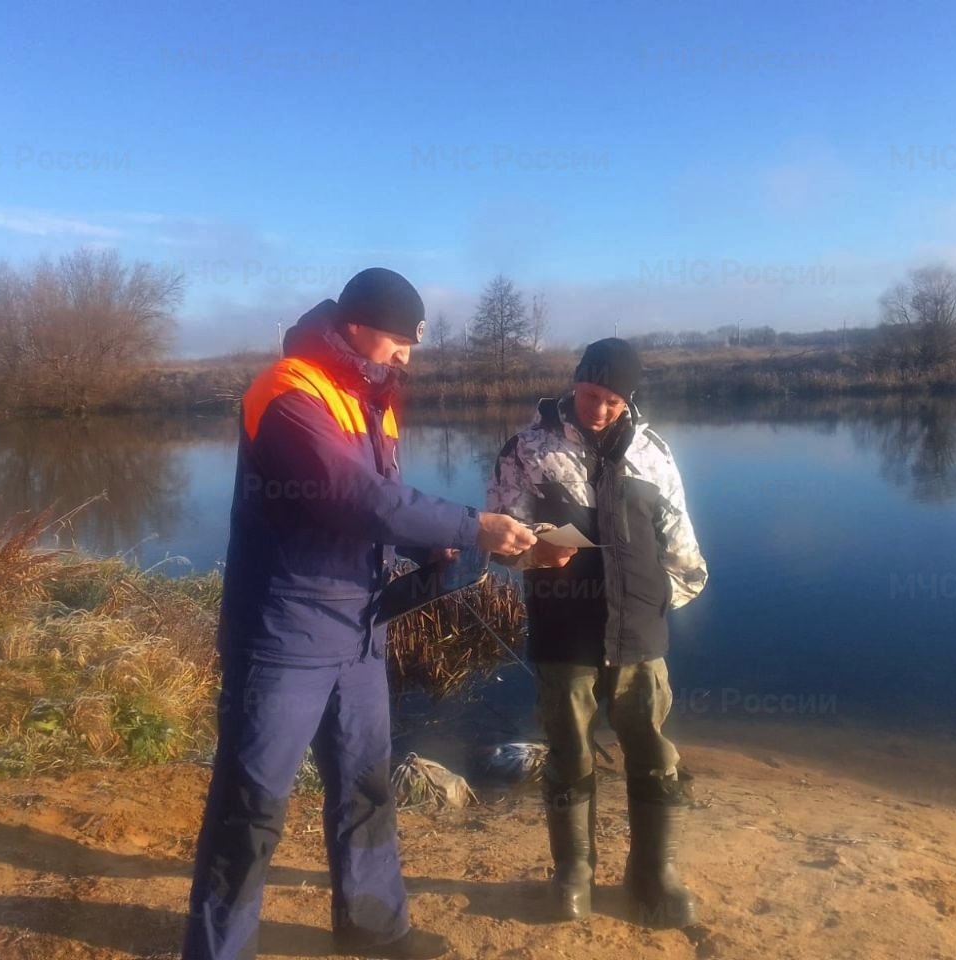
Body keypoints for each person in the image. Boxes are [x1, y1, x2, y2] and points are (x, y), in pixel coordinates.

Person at [183, 268, 537, 960]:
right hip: (283, 637)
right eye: (401, 338)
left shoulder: (374, 400)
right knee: (249, 808)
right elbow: (353, 497)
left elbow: (384, 503)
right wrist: (473, 524)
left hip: (360, 634)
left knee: (368, 789)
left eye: (414, 342)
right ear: (356, 325)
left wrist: (442, 542)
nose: (408, 354)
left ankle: (374, 929)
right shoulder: (285, 392)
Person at [486, 338, 708, 928]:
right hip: (565, 634)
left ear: (628, 397)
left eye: (613, 399)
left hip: (639, 635)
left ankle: (654, 874)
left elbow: (683, 547)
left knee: (653, 750)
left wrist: (660, 603)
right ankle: (574, 872)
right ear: (574, 384)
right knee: (568, 749)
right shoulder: (526, 449)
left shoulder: (654, 453)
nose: (600, 409)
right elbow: (500, 541)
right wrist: (531, 558)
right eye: (590, 394)